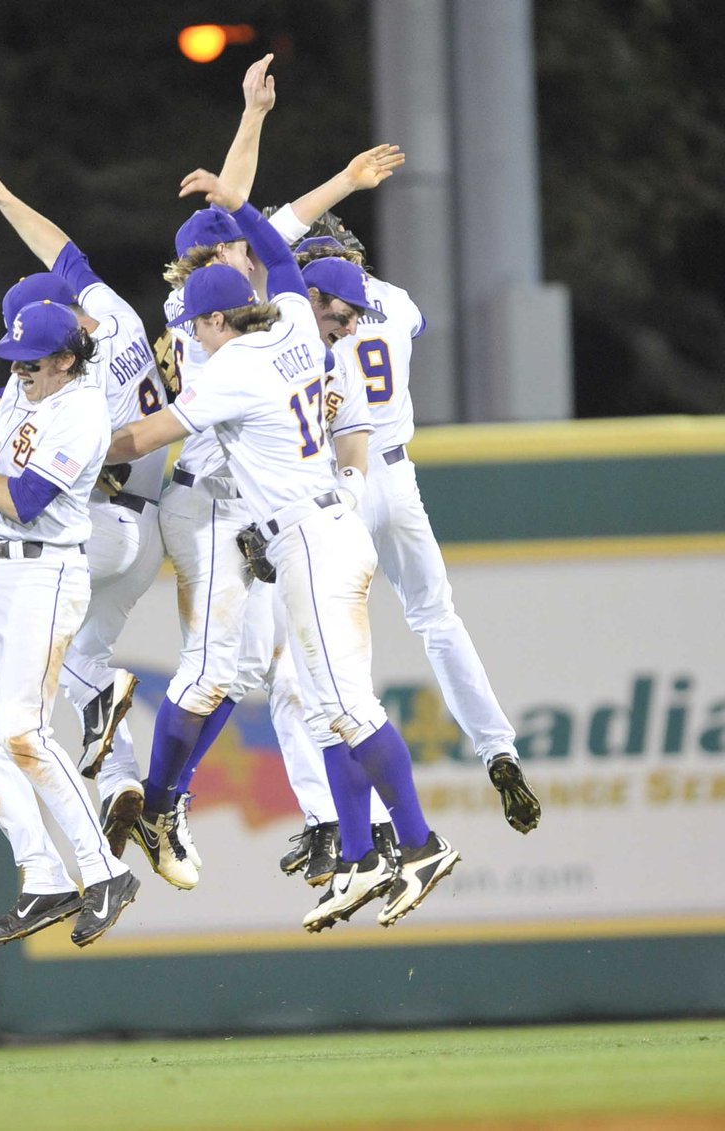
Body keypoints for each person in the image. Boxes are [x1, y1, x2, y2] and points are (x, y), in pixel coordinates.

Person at [106, 169, 460, 931]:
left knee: (345, 704)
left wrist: (71, 457)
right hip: (318, 528)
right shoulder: (296, 320)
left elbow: (145, 436)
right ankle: (368, 854)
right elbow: (280, 251)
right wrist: (237, 205)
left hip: (308, 538)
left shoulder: (234, 366)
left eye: (195, 328)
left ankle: (422, 844)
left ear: (210, 322)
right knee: (328, 702)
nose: (191, 339)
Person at [96, 55, 405, 891]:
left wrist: (260, 125)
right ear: (198, 271)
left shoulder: (259, 306)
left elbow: (266, 218)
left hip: (257, 509)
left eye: (235, 242)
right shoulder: (204, 310)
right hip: (203, 498)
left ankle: (329, 829)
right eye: (221, 247)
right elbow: (252, 220)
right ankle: (159, 794)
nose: (237, 246)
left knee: (284, 675)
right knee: (217, 670)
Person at [0, 144, 170, 854]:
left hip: (102, 526)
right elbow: (66, 253)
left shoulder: (74, 390)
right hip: (149, 523)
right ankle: (124, 787)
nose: (19, 367)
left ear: (51, 348)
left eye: (23, 355)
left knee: (49, 650)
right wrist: (4, 197)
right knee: (85, 648)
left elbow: (95, 444)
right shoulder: (107, 316)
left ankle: (104, 708)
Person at [290, 229, 543, 836]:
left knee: (323, 662)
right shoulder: (396, 301)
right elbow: (415, 324)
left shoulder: (297, 315)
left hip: (333, 484)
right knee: (437, 619)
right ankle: (498, 747)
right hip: (397, 478)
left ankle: (349, 822)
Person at [0, 298, 140, 949]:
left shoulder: (82, 411)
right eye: (15, 360)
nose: (19, 369)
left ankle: (106, 871)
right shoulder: (25, 393)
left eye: (31, 361)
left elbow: (23, 500)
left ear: (63, 359)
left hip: (44, 575)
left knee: (22, 730)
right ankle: (44, 875)